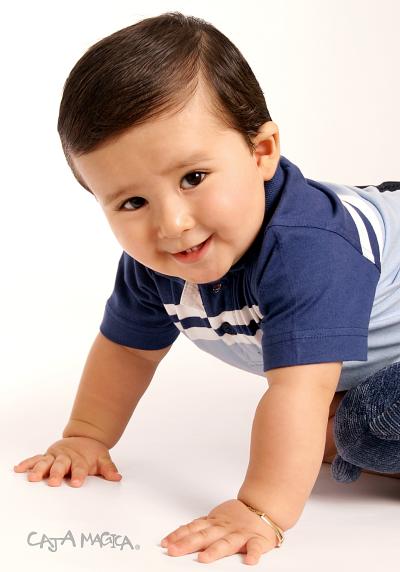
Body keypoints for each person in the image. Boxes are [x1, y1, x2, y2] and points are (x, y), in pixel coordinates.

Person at [13, 11, 400, 566]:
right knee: (346, 420)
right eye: (132, 202)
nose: (171, 223)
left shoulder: (308, 252)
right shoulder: (158, 263)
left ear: (261, 152)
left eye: (193, 178)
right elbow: (126, 351)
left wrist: (261, 508)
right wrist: (85, 436)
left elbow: (299, 392)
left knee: (363, 428)